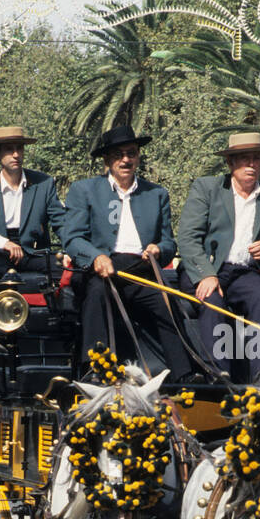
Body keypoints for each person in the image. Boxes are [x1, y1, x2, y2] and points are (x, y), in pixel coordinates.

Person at [62, 123, 194, 381]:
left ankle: (184, 376)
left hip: (142, 270)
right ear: (107, 159)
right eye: (119, 154)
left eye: (131, 153)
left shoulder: (156, 194)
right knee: (96, 296)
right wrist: (96, 257)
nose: (126, 159)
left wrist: (158, 250)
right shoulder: (84, 190)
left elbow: (169, 243)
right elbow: (72, 238)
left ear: (138, 157)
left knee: (168, 303)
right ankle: (94, 370)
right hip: (101, 270)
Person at [176, 131, 260, 380]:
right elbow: (187, 237)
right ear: (230, 163)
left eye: (256, 159)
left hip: (245, 273)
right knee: (212, 300)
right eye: (244, 159)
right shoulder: (207, 188)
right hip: (206, 269)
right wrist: (206, 275)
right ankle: (217, 372)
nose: (251, 164)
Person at [0, 125, 68, 347]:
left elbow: (61, 222)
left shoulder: (43, 184)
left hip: (34, 252)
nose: (16, 155)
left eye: (19, 149)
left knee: (71, 273)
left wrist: (70, 250)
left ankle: (66, 331)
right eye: (9, 149)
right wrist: (1, 242)